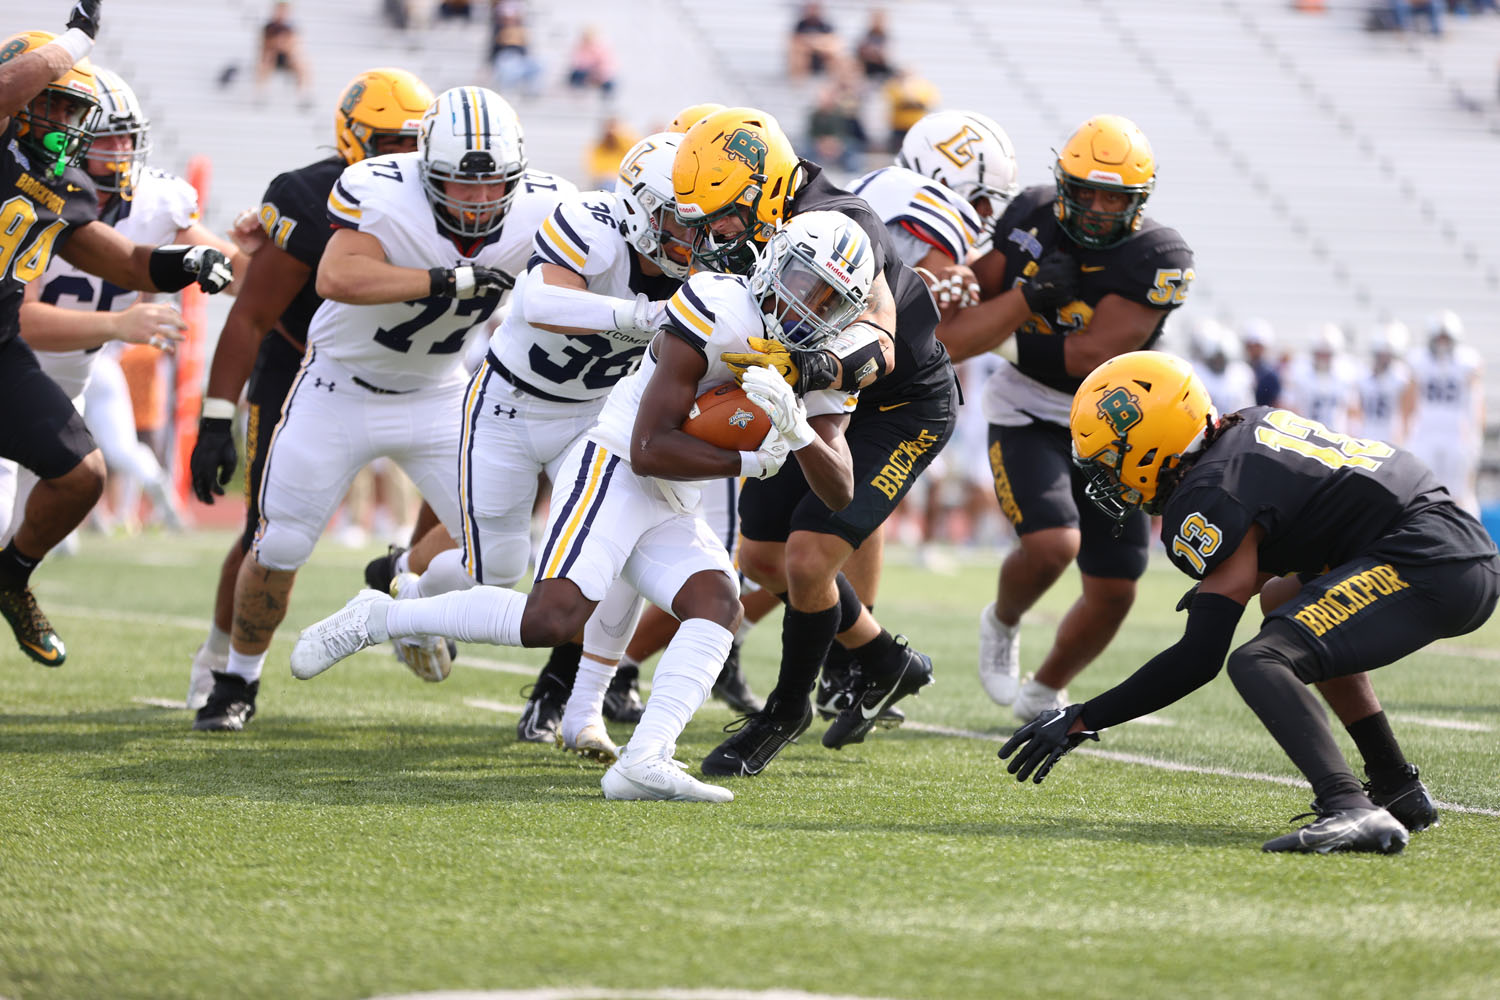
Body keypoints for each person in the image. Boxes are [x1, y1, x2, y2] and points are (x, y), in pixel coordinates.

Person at [290, 210, 883, 803]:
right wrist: (752, 463)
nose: (811, 305)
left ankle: (645, 761)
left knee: (716, 603)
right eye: (806, 281)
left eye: (831, 300)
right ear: (777, 260)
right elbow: (650, 448)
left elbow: (840, 491)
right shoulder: (718, 303)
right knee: (552, 620)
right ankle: (381, 618)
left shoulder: (825, 359)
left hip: (675, 496)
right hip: (616, 466)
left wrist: (798, 430)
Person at [1000, 350, 1499, 854]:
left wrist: (1084, 719)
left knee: (1260, 660)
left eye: (1111, 461)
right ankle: (1396, 785)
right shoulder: (1246, 427)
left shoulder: (1210, 491)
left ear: (1151, 444)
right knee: (1285, 599)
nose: (1110, 477)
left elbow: (1198, 660)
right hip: (1447, 543)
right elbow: (1312, 519)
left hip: (1426, 559)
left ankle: (1347, 805)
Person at [191, 86, 563, 732]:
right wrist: (450, 280)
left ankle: (403, 593)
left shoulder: (547, 207)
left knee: (503, 559)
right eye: (458, 186)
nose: (477, 202)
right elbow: (339, 277)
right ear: (425, 169)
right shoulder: (379, 190)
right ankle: (236, 681)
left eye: (492, 186)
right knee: (278, 541)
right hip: (340, 387)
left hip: (441, 390)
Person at [673, 107, 956, 774]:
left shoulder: (840, 219)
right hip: (805, 394)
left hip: (895, 406)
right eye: (705, 220)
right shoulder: (757, 226)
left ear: (766, 188)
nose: (716, 234)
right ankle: (885, 660)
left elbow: (880, 340)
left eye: (725, 214)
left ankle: (784, 710)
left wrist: (808, 370)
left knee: (806, 559)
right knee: (764, 558)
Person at [384, 132, 682, 758]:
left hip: (595, 415)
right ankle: (410, 592)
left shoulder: (709, 255)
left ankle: (585, 709)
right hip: (509, 404)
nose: (694, 231)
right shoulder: (592, 220)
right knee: (495, 568)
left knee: (614, 551)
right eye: (677, 214)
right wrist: (639, 317)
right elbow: (541, 300)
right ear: (639, 208)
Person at [185, 67, 435, 712]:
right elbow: (253, 313)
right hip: (309, 373)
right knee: (268, 533)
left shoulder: (454, 191)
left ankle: (408, 586)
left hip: (425, 381)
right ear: (354, 139)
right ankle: (225, 665)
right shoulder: (311, 196)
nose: (408, 157)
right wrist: (216, 419)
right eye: (391, 141)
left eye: (418, 142)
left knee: (485, 510)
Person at [937, 114, 1195, 722]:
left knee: (1114, 587)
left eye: (1116, 197)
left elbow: (1089, 355)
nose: (1101, 208)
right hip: (1031, 405)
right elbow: (960, 312)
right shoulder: (1029, 213)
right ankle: (1001, 621)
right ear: (1063, 185)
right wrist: (1010, 300)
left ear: (1140, 200)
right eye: (1089, 192)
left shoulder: (1157, 255)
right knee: (1053, 545)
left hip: (1115, 423)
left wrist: (998, 325)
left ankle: (1045, 687)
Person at [0, 14, 233, 667]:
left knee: (83, 476)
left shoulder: (61, 185)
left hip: (1, 350)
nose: (68, 126)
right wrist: (73, 42)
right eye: (55, 105)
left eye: (76, 111)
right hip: (23, 335)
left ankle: (11, 579)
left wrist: (184, 264)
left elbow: (126, 262)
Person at [7, 65, 245, 542]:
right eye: (108, 140)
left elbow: (239, 276)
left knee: (25, 533)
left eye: (127, 139)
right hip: (14, 374)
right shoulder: (30, 192)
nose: (121, 153)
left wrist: (263, 244)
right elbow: (21, 321)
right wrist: (117, 325)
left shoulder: (154, 201)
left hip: (70, 386)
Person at [1401, 310, 1482, 514]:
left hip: (1455, 432)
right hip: (1425, 431)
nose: (1442, 342)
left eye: (1446, 338)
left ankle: (1469, 537)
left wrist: (1475, 433)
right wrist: (1406, 431)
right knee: (1420, 489)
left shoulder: (1467, 361)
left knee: (1460, 492)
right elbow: (1409, 400)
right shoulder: (1418, 360)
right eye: (1439, 337)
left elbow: (1476, 400)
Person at [1283, 322, 1360, 431]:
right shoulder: (1300, 373)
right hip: (1307, 436)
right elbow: (1289, 408)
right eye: (1320, 354)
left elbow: (1353, 410)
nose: (1323, 358)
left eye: (1327, 354)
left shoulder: (1345, 374)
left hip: (1337, 437)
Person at [1356, 321, 1410, 445]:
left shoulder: (1401, 378)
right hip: (1367, 431)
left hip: (1390, 432)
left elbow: (1408, 410)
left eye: (1387, 355)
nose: (1383, 359)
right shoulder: (1363, 377)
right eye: (1381, 355)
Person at [255, 2, 312, 107]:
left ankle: (303, 95)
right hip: (272, 58)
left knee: (301, 64)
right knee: (266, 59)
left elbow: (295, 46)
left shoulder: (291, 28)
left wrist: (283, 45)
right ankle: (261, 94)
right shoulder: (268, 27)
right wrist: (277, 44)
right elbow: (264, 46)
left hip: (287, 58)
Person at [788, 2, 845, 80]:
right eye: (810, 9)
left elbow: (833, 40)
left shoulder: (825, 25)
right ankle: (798, 80)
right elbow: (795, 40)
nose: (812, 11)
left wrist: (814, 43)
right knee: (797, 53)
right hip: (806, 53)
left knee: (834, 52)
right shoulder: (801, 24)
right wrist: (814, 42)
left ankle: (835, 80)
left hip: (822, 53)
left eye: (815, 9)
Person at [1239, 317, 1282, 407]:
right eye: (1251, 345)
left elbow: (1274, 403)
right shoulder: (1238, 370)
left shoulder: (1270, 375)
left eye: (1257, 346)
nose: (1254, 349)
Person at [565, 26, 616, 100]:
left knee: (610, 83)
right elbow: (577, 63)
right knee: (575, 75)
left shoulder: (602, 48)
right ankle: (577, 92)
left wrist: (599, 73)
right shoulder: (580, 47)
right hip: (585, 72)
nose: (588, 40)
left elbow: (608, 64)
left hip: (600, 73)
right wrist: (589, 72)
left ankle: (607, 98)